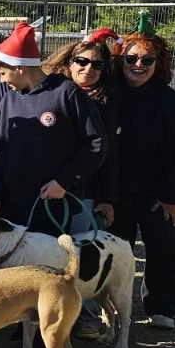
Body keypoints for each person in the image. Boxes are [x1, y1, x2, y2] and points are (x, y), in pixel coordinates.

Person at [0, 23, 106, 236]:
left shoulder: (66, 93)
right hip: (9, 205)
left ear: (20, 67)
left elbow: (96, 144)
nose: (2, 80)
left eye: (3, 73)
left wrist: (64, 181)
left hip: (50, 205)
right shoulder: (9, 99)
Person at [112, 32, 175, 330]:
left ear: (159, 64)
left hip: (158, 191)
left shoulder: (170, 101)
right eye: (131, 58)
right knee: (119, 251)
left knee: (163, 247)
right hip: (117, 190)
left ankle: (162, 305)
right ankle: (116, 307)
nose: (139, 65)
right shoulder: (111, 94)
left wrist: (173, 196)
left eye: (147, 59)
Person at [43, 34, 122, 227]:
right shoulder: (48, 93)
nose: (88, 69)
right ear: (70, 62)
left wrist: (106, 198)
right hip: (46, 186)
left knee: (76, 249)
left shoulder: (107, 103)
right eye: (82, 61)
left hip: (85, 190)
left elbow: (108, 152)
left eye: (97, 65)